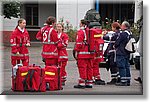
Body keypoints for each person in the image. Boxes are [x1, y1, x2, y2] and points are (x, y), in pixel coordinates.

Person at [74, 19, 94, 89]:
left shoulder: (81, 32)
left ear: (82, 24)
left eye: (80, 23)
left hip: (82, 53)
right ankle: (89, 82)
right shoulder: (89, 31)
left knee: (82, 68)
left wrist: (76, 51)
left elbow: (79, 43)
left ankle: (82, 83)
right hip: (90, 53)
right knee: (89, 68)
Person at [115, 21, 131, 86]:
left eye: (122, 25)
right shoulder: (129, 33)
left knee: (122, 66)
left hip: (121, 52)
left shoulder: (123, 34)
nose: (121, 27)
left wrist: (115, 45)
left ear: (125, 26)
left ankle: (123, 81)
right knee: (127, 66)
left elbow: (117, 42)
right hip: (127, 52)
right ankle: (127, 80)